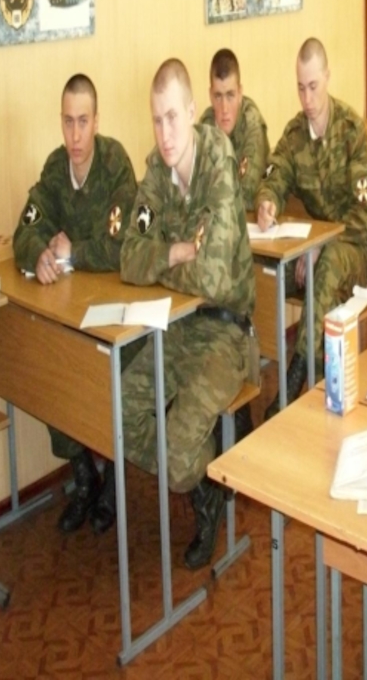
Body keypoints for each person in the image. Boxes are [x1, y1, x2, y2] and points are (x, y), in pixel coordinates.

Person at [120, 59, 254, 569]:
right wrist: (176, 253)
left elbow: (215, 280)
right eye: (157, 120)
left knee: (176, 458)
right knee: (122, 412)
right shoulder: (158, 170)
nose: (165, 133)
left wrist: (161, 265)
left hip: (226, 334)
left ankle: (204, 479)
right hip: (176, 326)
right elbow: (129, 256)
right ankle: (203, 482)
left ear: (193, 112)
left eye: (173, 117)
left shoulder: (218, 161)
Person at [13, 74, 137, 535]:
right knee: (49, 366)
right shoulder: (54, 168)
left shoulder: (115, 164)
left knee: (108, 381)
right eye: (68, 122)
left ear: (96, 121)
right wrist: (39, 254)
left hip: (119, 311)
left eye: (83, 122)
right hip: (73, 309)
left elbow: (124, 245)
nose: (75, 135)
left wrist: (73, 252)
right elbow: (25, 227)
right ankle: (85, 475)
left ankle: (115, 481)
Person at [255, 38, 367, 417]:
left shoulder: (351, 130)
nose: (307, 99)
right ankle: (253, 384)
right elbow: (275, 174)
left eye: (313, 86)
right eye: (300, 88)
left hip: (356, 247)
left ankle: (296, 376)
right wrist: (267, 202)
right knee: (265, 274)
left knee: (326, 268)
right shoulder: (296, 135)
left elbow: (362, 216)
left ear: (327, 77)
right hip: (316, 249)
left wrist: (321, 245)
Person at [199, 48, 269, 211]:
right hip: (215, 219)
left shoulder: (252, 125)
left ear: (240, 93)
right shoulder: (205, 127)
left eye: (230, 95)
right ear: (210, 95)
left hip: (250, 218)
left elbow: (245, 193)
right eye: (218, 96)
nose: (224, 108)